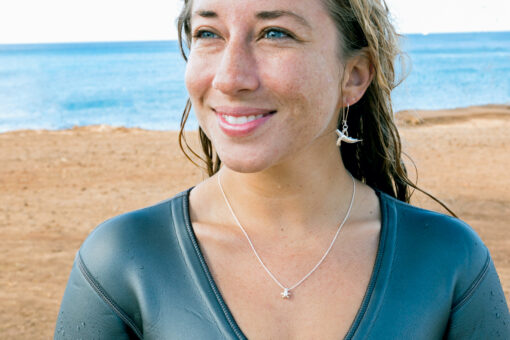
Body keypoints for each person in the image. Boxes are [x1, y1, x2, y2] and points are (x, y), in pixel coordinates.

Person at [55, 0, 510, 338]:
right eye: (209, 34)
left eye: (275, 34)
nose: (231, 78)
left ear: (353, 76)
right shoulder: (123, 260)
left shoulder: (448, 261)